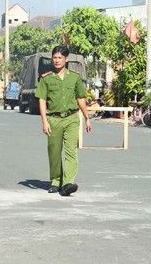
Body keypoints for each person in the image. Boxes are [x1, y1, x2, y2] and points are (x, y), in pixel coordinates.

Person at [34, 45, 92, 196]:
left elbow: (80, 98)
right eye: (55, 58)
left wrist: (87, 118)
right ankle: (55, 181)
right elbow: (41, 100)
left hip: (72, 118)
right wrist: (44, 121)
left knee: (71, 151)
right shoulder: (46, 78)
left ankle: (67, 183)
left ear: (66, 59)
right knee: (54, 151)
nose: (57, 60)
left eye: (60, 58)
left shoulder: (74, 77)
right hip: (54, 119)